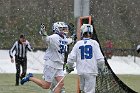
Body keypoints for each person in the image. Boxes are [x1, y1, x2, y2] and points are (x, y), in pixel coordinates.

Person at [20, 22, 69, 93]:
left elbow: (67, 41)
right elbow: (46, 39)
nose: (64, 30)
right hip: (51, 64)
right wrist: (43, 33)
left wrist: (73, 39)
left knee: (60, 84)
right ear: (56, 29)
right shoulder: (54, 37)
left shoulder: (64, 38)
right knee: (46, 85)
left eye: (64, 29)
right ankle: (30, 78)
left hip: (59, 64)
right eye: (62, 29)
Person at [66, 24, 105, 93]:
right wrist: (101, 68)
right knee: (89, 91)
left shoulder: (78, 44)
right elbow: (100, 60)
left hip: (81, 72)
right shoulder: (94, 43)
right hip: (91, 72)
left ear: (82, 33)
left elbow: (70, 59)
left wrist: (69, 67)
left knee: (83, 90)